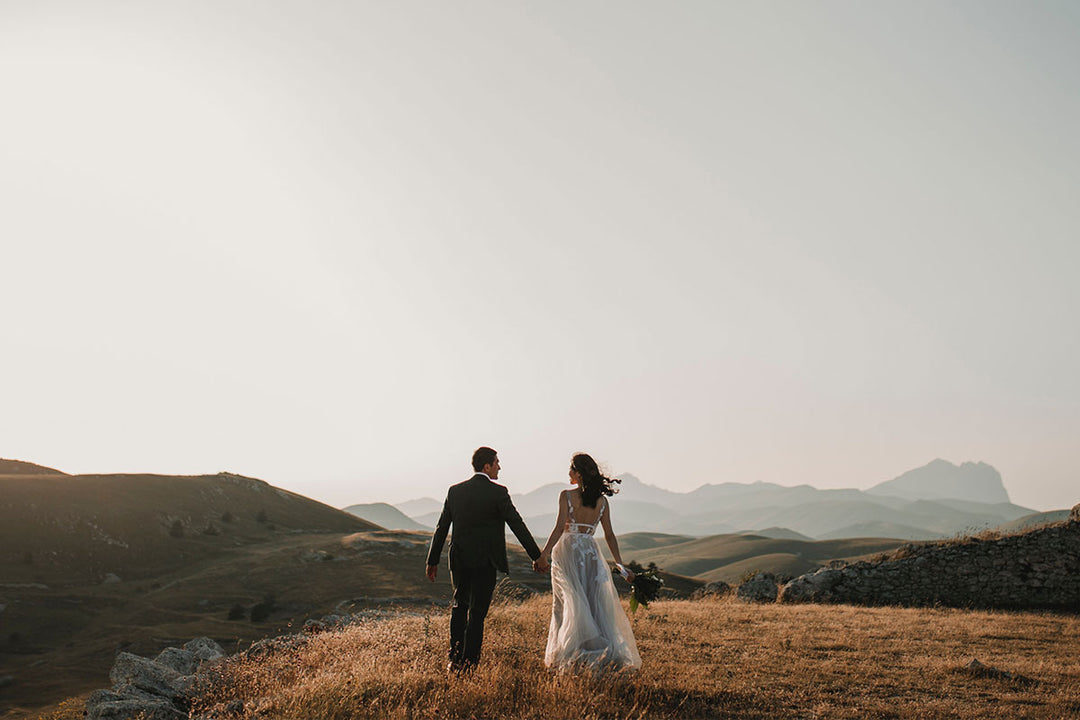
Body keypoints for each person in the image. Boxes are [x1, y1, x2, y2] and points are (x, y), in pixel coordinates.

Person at [426, 447, 547, 673]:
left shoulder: (455, 491)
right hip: (486, 561)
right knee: (478, 613)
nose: (499, 466)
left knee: (459, 606)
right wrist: (536, 556)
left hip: (459, 560)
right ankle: (470, 663)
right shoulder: (498, 493)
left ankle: (455, 659)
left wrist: (432, 560)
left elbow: (442, 527)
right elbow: (517, 524)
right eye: (497, 462)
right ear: (486, 466)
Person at [538, 453, 641, 671]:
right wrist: (620, 565)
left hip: (567, 552)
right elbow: (610, 535)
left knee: (567, 602)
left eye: (571, 470)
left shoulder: (565, 496)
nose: (568, 473)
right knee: (593, 603)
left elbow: (558, 528)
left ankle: (569, 653)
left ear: (579, 474)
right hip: (590, 553)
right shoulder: (602, 502)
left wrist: (544, 554)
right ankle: (597, 652)